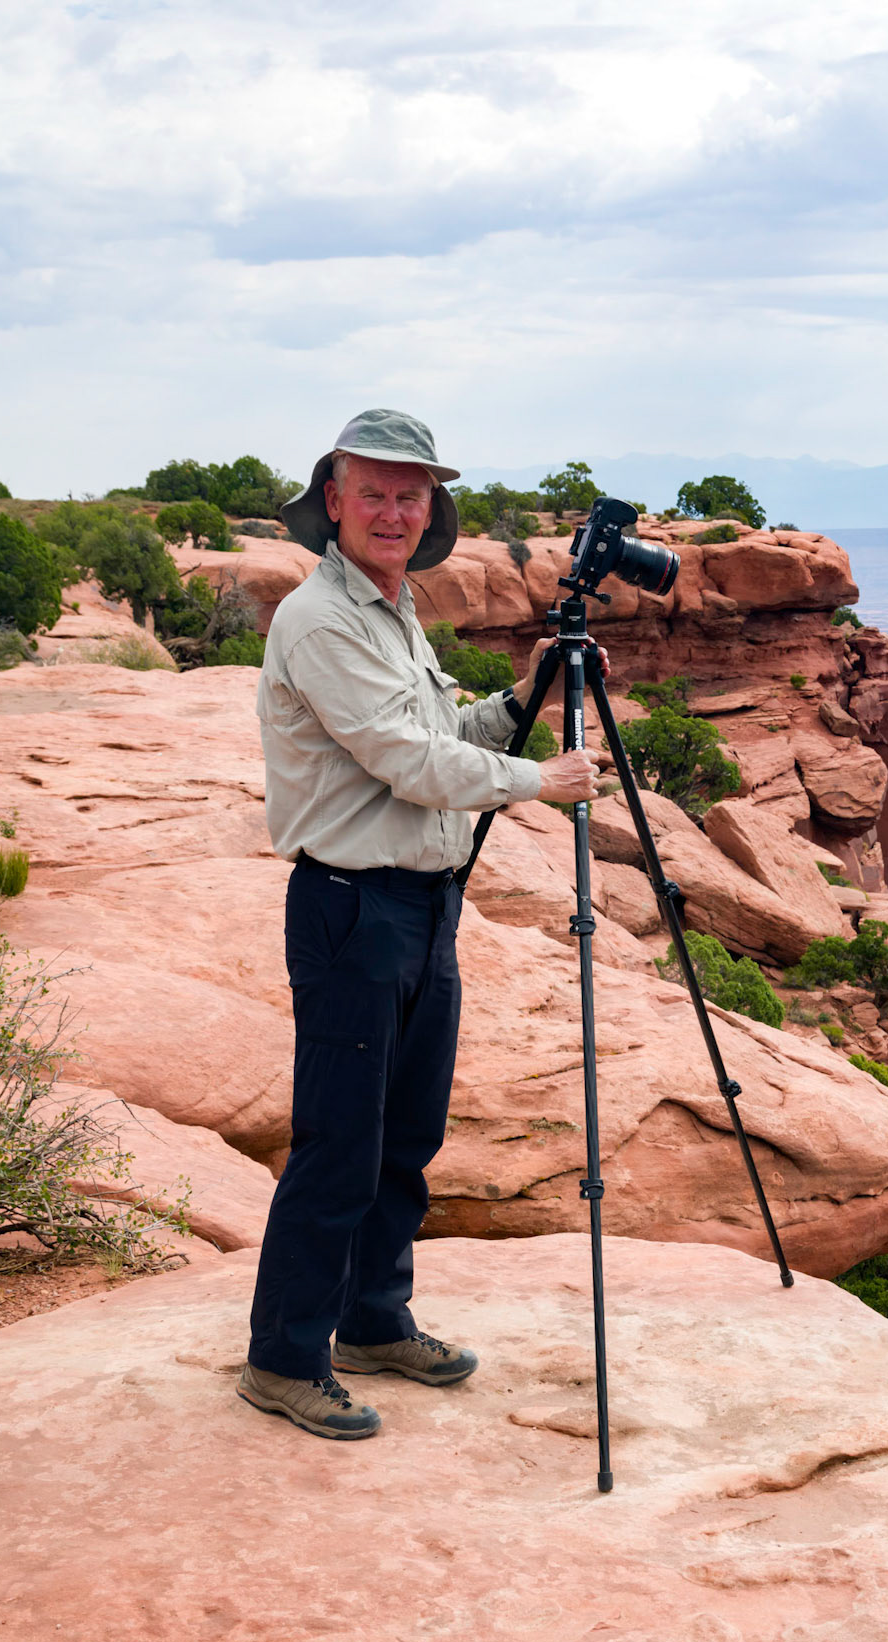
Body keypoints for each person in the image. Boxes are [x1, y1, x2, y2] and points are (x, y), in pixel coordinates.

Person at [238, 408, 601, 1441]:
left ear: (429, 507)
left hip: (423, 907)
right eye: (376, 492)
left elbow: (445, 734)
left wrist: (528, 695)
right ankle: (284, 1355)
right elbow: (407, 762)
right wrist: (542, 779)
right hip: (353, 907)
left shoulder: (396, 608)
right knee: (340, 1141)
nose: (396, 511)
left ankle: (372, 1318)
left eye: (413, 495)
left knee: (407, 1133)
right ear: (335, 503)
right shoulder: (319, 619)